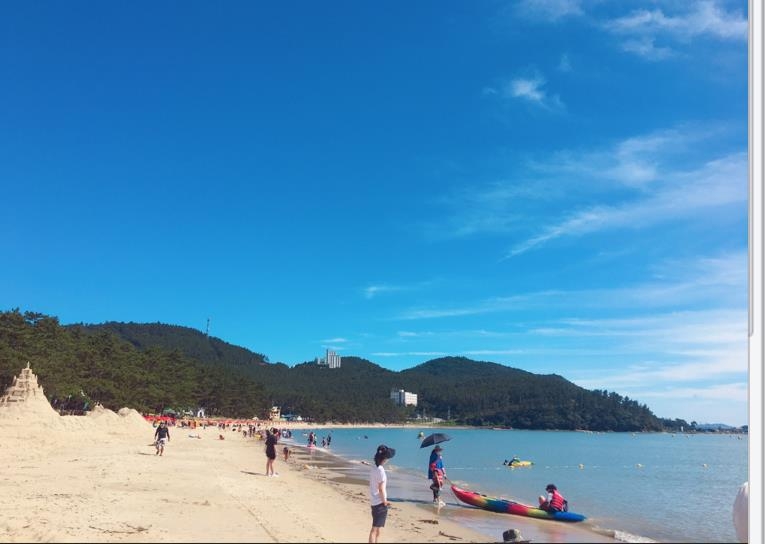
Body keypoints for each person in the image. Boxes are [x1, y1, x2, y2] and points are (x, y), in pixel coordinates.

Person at [369, 444, 395, 543]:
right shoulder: (381, 471)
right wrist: (385, 502)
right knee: (374, 530)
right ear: (384, 459)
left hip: (374, 501)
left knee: (377, 529)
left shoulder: (374, 468)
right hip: (379, 503)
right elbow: (381, 489)